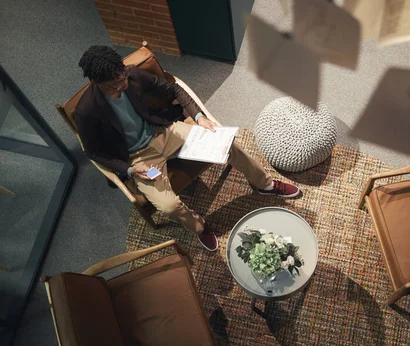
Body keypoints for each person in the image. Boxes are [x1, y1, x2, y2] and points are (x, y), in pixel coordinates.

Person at [74, 45, 300, 252]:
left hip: (164, 132)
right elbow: (93, 152)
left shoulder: (131, 74)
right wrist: (130, 171)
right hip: (137, 158)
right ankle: (200, 227)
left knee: (226, 144)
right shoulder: (87, 111)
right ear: (98, 82)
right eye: (116, 83)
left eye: (122, 75)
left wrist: (199, 117)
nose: (123, 83)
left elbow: (173, 89)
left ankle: (265, 184)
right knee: (168, 206)